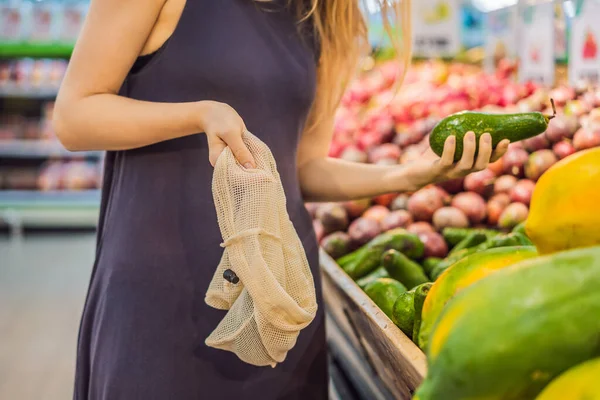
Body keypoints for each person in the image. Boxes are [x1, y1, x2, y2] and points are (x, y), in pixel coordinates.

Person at [54, 0, 509, 399]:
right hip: (162, 290)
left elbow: (305, 167)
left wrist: (410, 175)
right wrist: (199, 114)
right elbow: (74, 115)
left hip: (279, 298)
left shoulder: (325, 15)